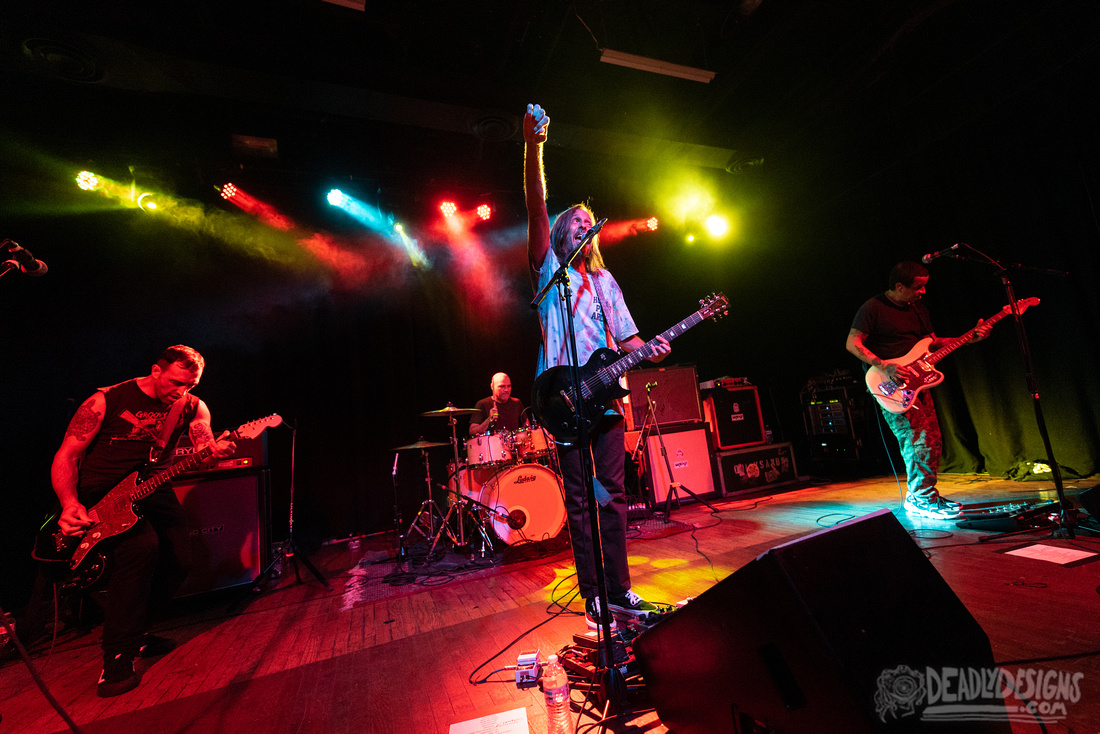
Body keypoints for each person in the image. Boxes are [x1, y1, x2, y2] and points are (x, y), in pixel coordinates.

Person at [524, 102, 671, 629]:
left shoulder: (606, 282)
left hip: (606, 399)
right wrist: (533, 146)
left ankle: (620, 591)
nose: (587, 225)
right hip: (561, 399)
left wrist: (649, 348)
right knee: (582, 503)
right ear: (564, 233)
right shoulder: (547, 271)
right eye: (577, 221)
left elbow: (628, 339)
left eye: (592, 222)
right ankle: (592, 597)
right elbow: (535, 207)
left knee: (613, 499)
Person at [51, 345, 235, 697]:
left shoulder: (193, 407)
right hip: (102, 492)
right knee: (142, 549)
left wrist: (214, 452)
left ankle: (136, 633)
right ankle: (116, 657)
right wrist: (69, 502)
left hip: (153, 487)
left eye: (190, 385)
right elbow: (68, 454)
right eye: (176, 382)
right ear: (155, 370)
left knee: (181, 558)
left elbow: (203, 450)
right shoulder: (105, 401)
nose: (181, 391)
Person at [846, 262, 990, 520]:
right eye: (918, 287)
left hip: (918, 383)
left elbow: (932, 343)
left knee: (931, 440)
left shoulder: (918, 309)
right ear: (899, 286)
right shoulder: (873, 308)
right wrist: (884, 365)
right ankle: (921, 500)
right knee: (916, 440)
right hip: (889, 385)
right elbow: (852, 343)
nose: (922, 292)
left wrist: (969, 337)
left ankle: (923, 494)